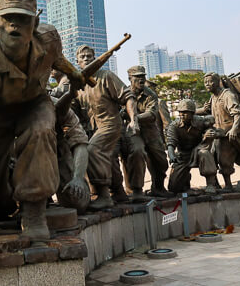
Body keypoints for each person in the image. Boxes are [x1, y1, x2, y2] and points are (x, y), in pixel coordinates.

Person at [0, 0, 85, 240]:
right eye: (8, 18)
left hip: (35, 103)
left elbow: (57, 59)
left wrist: (74, 73)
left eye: (23, 19)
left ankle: (34, 212)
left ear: (35, 23)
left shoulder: (49, 38)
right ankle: (0, 204)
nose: (14, 24)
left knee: (41, 131)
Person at [76, 45, 140, 208]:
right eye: (82, 57)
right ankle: (117, 191)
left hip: (110, 124)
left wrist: (133, 120)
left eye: (89, 56)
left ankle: (104, 195)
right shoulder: (78, 83)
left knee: (93, 150)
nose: (86, 58)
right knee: (104, 157)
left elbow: (128, 96)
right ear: (77, 61)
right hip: (91, 129)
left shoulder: (106, 76)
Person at [126, 66, 170, 198]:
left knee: (161, 160)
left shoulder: (151, 94)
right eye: (137, 77)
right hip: (134, 133)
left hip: (150, 131)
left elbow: (151, 114)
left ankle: (158, 187)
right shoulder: (124, 93)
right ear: (130, 78)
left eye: (143, 77)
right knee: (137, 152)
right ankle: (137, 190)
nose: (141, 79)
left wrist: (133, 117)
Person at [166, 100, 221, 194]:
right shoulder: (174, 126)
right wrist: (171, 155)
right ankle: (185, 181)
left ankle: (211, 184)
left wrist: (212, 133)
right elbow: (171, 142)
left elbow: (218, 131)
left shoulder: (201, 121)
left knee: (205, 153)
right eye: (180, 112)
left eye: (185, 112)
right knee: (174, 188)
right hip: (183, 155)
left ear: (192, 113)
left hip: (198, 151)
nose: (181, 114)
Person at [51, 96, 90, 213]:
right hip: (22, 157)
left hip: (56, 154)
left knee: (77, 199)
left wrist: (77, 178)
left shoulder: (57, 105)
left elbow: (80, 143)